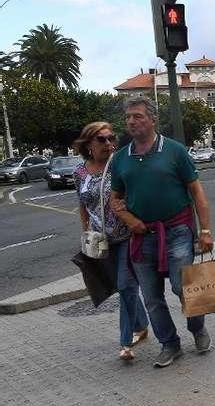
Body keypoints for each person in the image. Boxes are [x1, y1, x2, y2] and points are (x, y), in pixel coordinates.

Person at [109, 96, 213, 368]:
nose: (131, 121)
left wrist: (206, 230)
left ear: (152, 119)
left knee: (184, 288)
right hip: (142, 237)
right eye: (128, 117)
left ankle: (198, 329)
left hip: (177, 230)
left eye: (137, 116)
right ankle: (170, 344)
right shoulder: (120, 159)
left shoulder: (175, 151)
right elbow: (114, 198)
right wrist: (129, 219)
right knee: (152, 298)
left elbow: (196, 192)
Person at [74, 122, 149, 361]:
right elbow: (82, 204)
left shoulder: (122, 165)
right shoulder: (80, 172)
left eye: (110, 138)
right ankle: (142, 323)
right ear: (88, 145)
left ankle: (126, 342)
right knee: (121, 286)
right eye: (101, 139)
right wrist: (85, 232)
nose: (108, 143)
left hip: (127, 235)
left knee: (126, 286)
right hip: (100, 240)